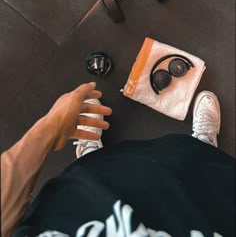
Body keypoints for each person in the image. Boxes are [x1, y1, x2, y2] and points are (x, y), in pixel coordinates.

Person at [1, 82, 235, 237]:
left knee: (92, 177)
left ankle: (93, 160)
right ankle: (202, 152)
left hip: (76, 214)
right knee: (200, 175)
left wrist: (51, 128)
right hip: (203, 220)